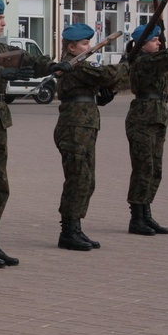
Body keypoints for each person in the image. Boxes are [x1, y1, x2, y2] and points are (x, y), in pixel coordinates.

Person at [0, 0, 69, 268]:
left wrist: (53, 66)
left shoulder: (4, 48)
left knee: (0, 186)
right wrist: (1, 75)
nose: (3, 23)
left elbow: (30, 60)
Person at [54, 23, 128, 250]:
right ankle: (68, 231)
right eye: (85, 44)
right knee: (78, 178)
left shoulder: (78, 65)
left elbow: (100, 86)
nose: (90, 47)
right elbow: (108, 75)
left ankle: (75, 227)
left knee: (86, 179)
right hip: (74, 128)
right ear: (72, 47)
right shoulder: (74, 67)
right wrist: (126, 64)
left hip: (84, 127)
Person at [124, 24, 168, 236]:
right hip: (143, 118)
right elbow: (165, 58)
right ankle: (136, 218)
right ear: (143, 43)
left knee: (154, 169)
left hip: (157, 117)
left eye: (159, 39)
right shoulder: (144, 61)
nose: (158, 43)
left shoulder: (155, 61)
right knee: (143, 168)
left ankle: (146, 214)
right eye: (155, 40)